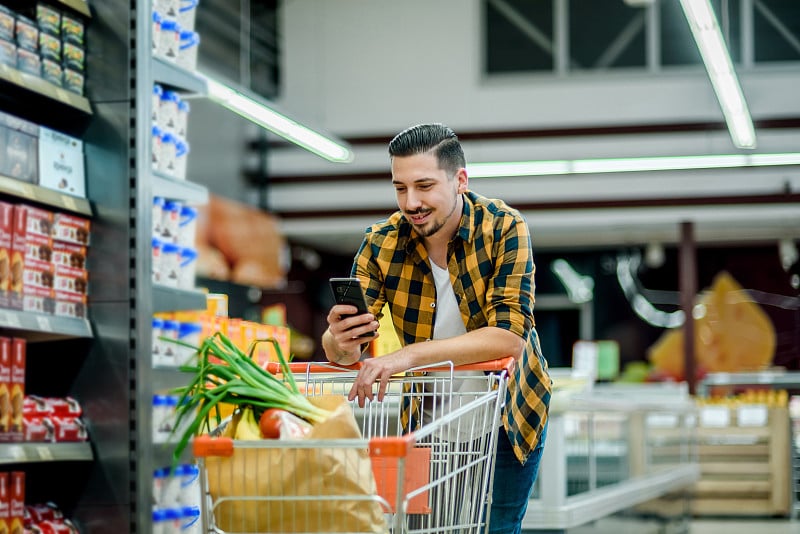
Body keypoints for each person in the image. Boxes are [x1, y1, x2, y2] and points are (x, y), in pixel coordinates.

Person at [322, 123, 551, 534]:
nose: (412, 202)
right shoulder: (381, 243)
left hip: (510, 414)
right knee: (418, 529)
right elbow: (344, 352)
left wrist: (406, 356)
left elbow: (510, 337)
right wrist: (338, 340)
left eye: (424, 186)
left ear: (460, 180)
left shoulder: (503, 228)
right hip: (427, 423)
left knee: (497, 529)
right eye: (400, 188)